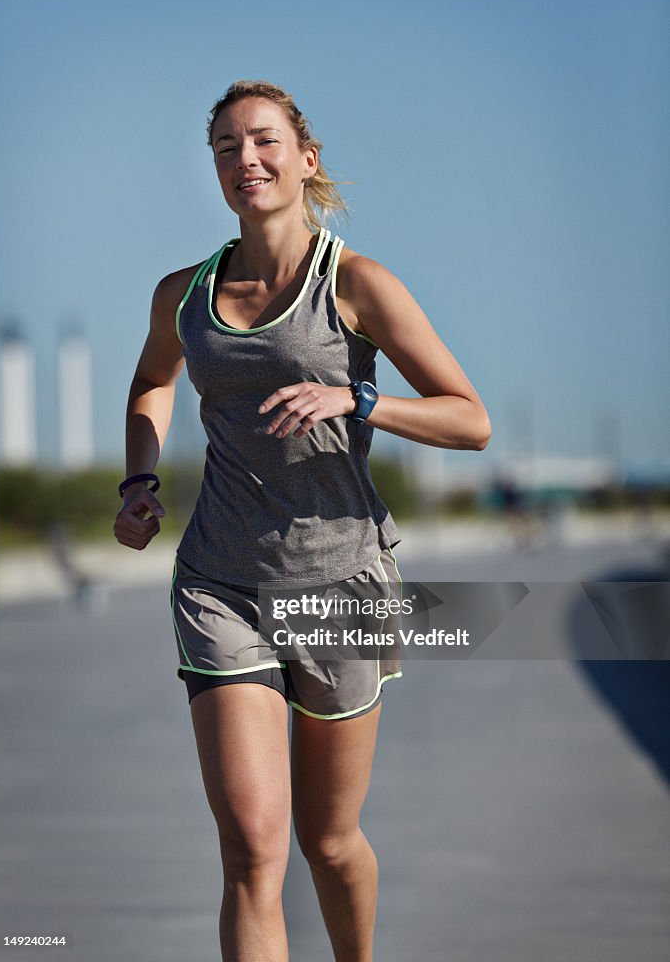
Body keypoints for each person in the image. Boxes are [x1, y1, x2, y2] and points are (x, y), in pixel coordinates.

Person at [113, 80, 491, 962]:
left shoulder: (355, 283)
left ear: (304, 159)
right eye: (225, 148)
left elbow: (469, 419)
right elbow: (151, 381)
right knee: (252, 851)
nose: (245, 159)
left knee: (329, 842)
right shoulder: (186, 291)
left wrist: (359, 399)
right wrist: (137, 479)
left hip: (342, 582)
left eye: (263, 141)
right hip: (220, 583)